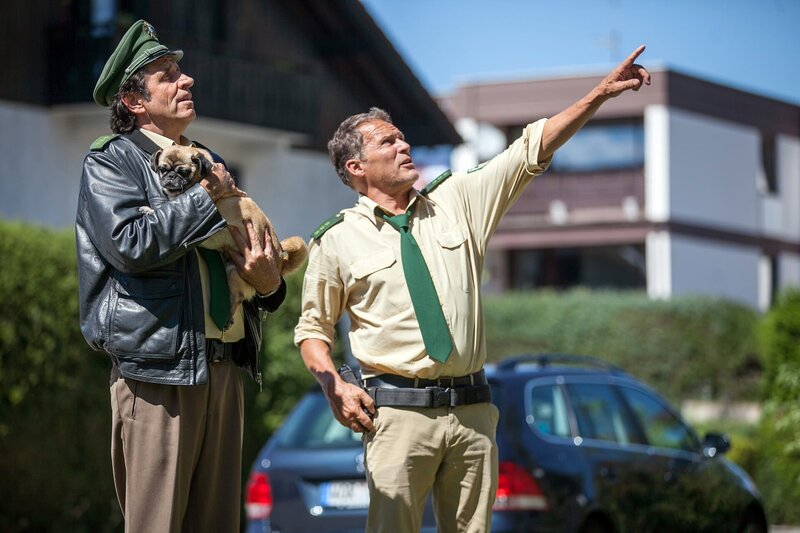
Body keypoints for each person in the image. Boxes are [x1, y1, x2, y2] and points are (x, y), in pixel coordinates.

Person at [294, 46, 650, 532]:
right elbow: (312, 329)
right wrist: (332, 384)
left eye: (403, 138)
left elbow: (530, 149)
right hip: (397, 416)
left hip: (473, 413)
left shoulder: (456, 199)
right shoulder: (334, 240)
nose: (404, 147)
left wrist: (598, 97)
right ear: (357, 168)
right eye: (388, 143)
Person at [75, 20, 286, 532]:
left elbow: (238, 261)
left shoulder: (208, 161)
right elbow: (130, 244)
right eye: (167, 75)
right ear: (133, 102)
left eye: (181, 71)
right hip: (157, 373)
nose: (185, 80)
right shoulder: (113, 161)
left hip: (222, 370)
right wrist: (206, 196)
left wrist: (268, 284)